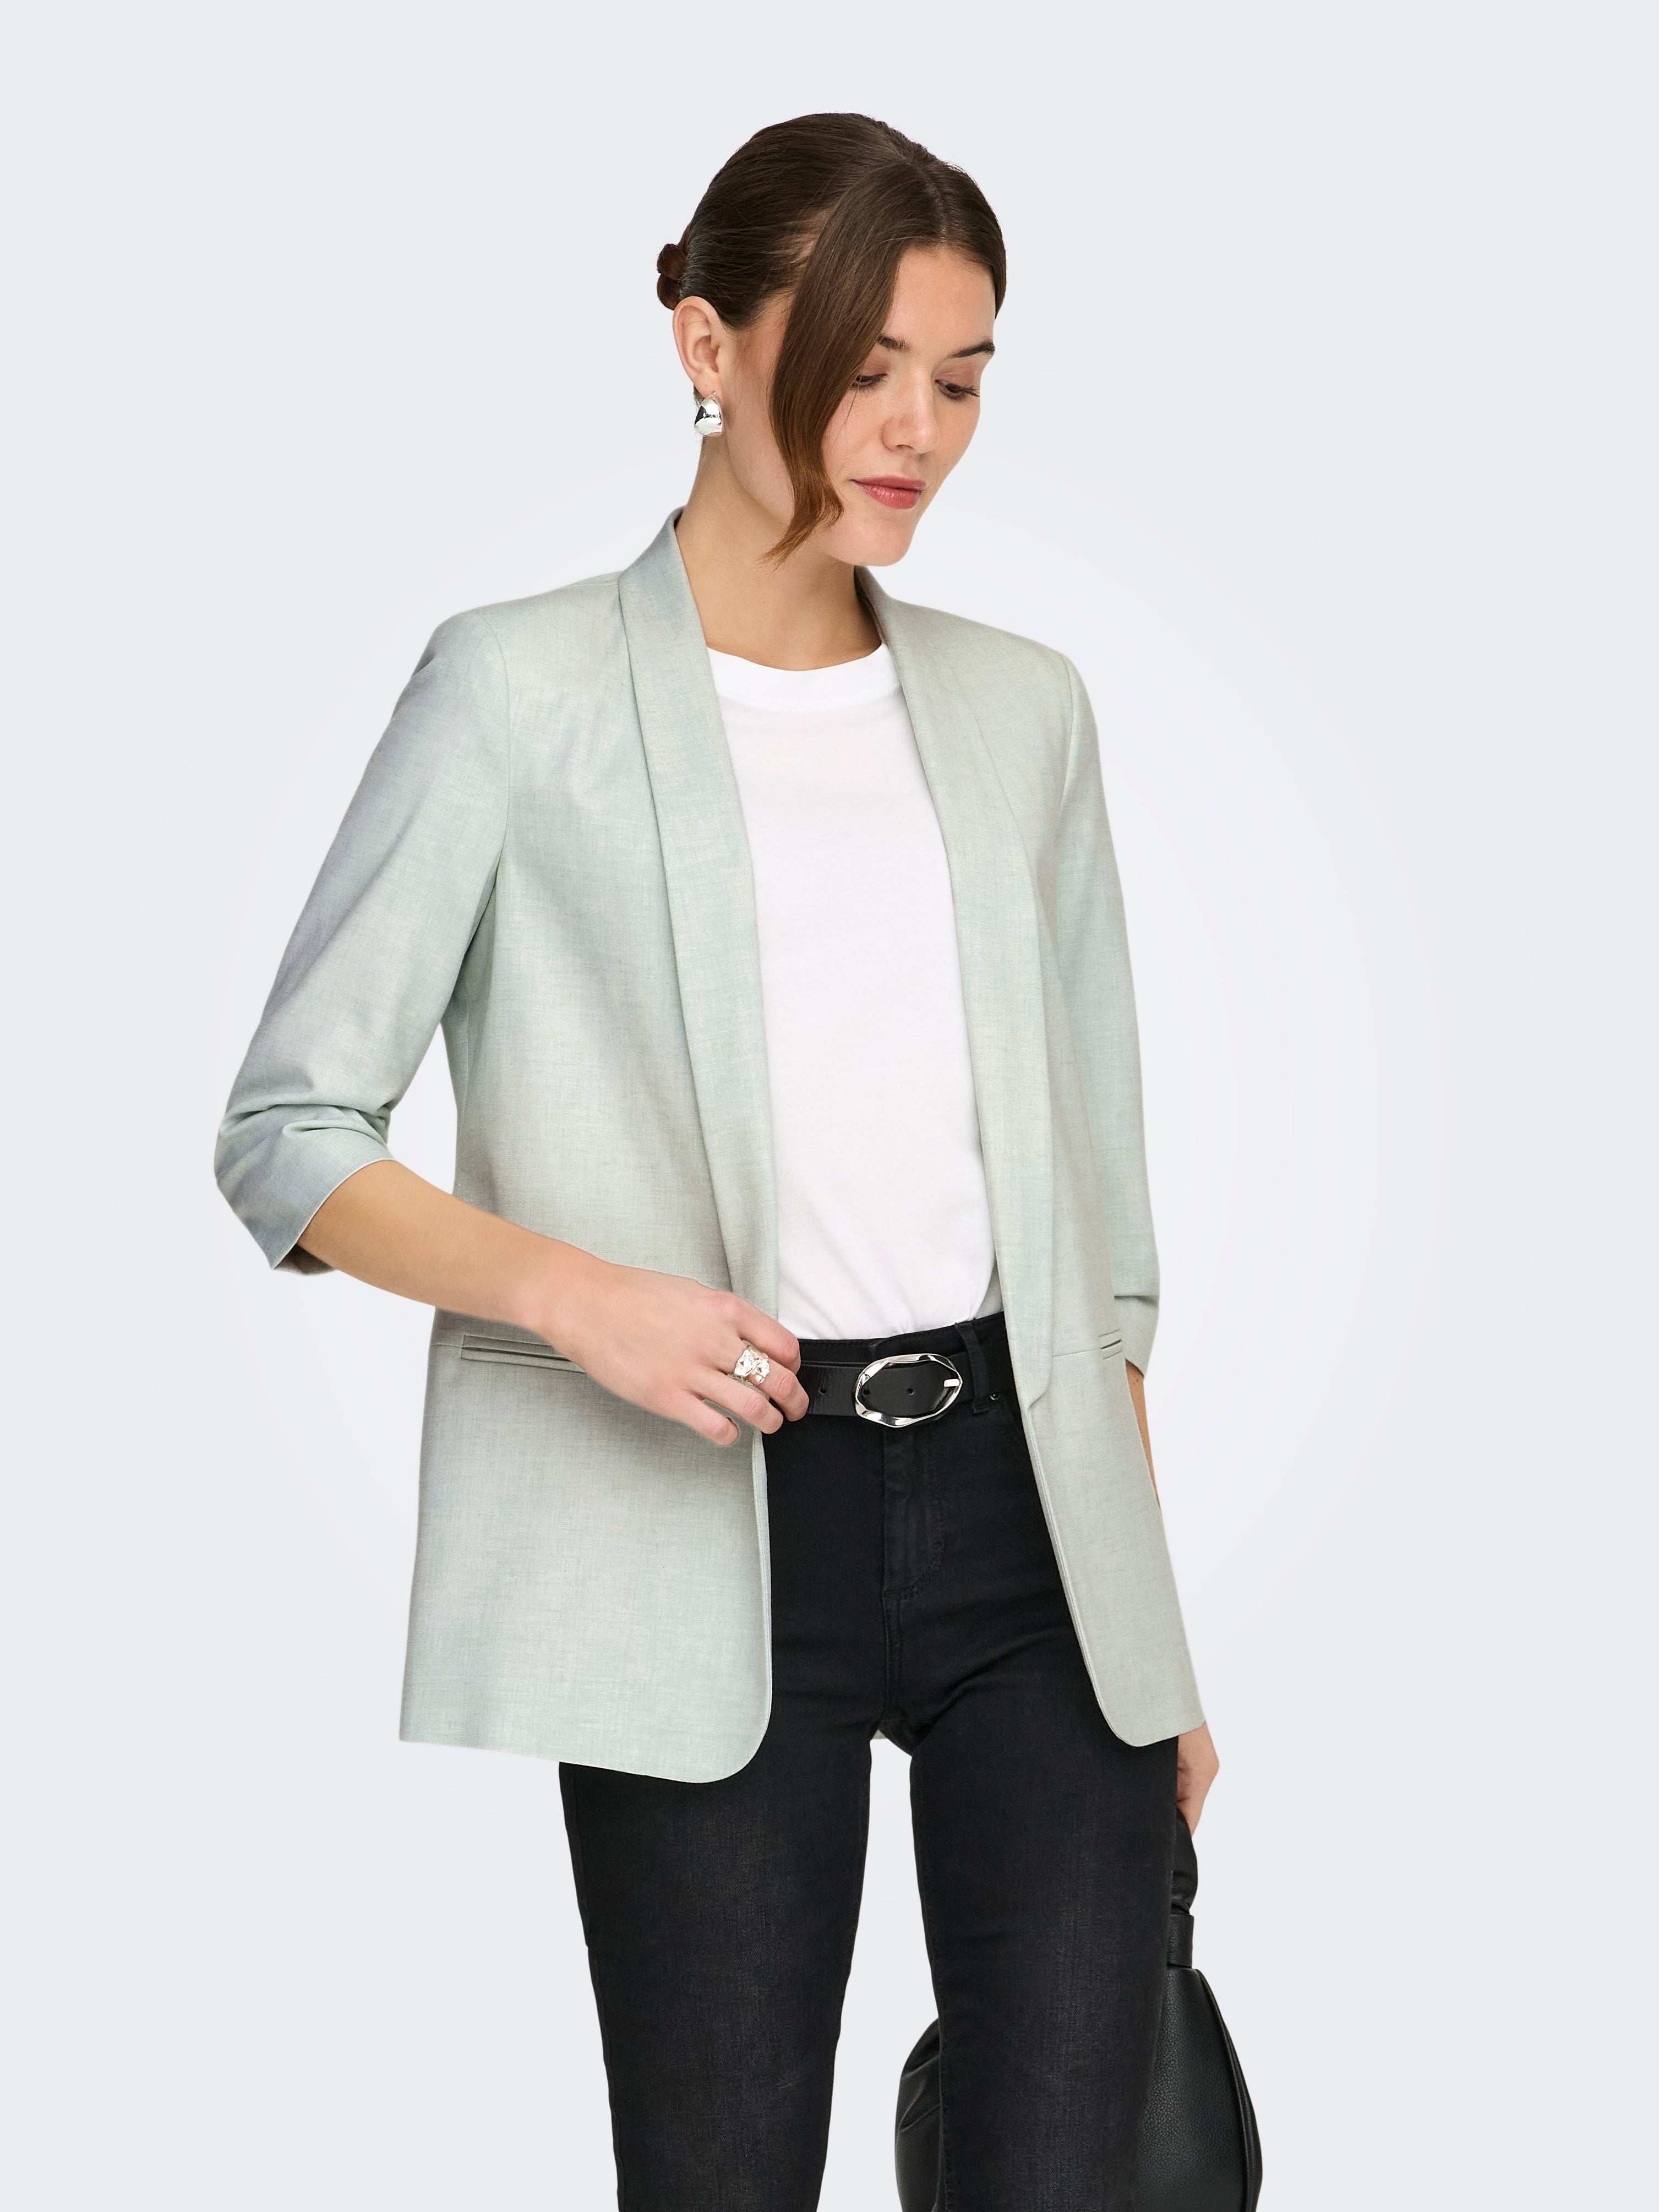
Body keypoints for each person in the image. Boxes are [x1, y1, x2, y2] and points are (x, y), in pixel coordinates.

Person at [216, 110, 1219, 2212]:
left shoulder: (1026, 712)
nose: (918, 429)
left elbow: (1104, 1231)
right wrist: (584, 1298)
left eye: (963, 378)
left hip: (1038, 1531)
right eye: (866, 365)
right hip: (702, 1516)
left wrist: (1156, 1636)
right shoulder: (517, 691)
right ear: (707, 343)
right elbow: (290, 1130)